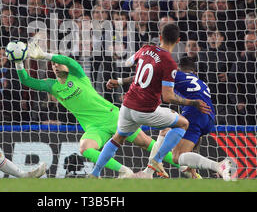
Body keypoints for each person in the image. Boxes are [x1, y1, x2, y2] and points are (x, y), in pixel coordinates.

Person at [12, 38, 163, 178]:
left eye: (58, 63)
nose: (56, 66)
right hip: (94, 127)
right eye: (53, 65)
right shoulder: (52, 86)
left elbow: (67, 60)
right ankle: (125, 171)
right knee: (85, 148)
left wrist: (45, 55)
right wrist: (18, 62)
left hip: (112, 117)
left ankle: (182, 164)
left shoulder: (77, 75)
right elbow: (26, 80)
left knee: (146, 143)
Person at [90, 24, 211, 178]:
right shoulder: (169, 63)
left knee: (117, 138)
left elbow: (129, 63)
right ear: (178, 41)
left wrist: (120, 81)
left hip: (127, 106)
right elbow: (168, 97)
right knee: (183, 123)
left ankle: (94, 173)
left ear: (160, 37)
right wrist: (193, 103)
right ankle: (156, 160)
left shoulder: (146, 49)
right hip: (144, 110)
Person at [106, 56, 232, 180]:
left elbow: (145, 76)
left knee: (177, 157)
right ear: (195, 72)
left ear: (178, 68)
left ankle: (218, 166)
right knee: (166, 131)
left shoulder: (177, 75)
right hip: (209, 117)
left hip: (194, 113)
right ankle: (151, 171)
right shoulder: (201, 82)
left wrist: (120, 81)